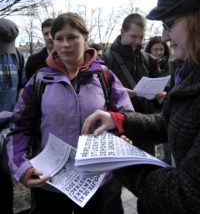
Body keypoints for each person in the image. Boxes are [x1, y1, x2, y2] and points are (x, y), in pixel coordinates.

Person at [82, 0, 200, 214]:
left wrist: (116, 157)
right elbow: (170, 121)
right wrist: (120, 120)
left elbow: (185, 196)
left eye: (170, 24)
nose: (165, 37)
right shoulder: (189, 68)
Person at [6, 12, 133, 214]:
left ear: (85, 39)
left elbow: (128, 118)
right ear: (52, 41)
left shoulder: (104, 76)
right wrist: (22, 168)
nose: (65, 44)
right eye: (59, 38)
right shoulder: (40, 80)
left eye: (72, 37)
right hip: (49, 182)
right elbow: (19, 128)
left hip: (98, 183)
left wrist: (120, 132)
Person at [103, 13, 161, 155]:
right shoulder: (106, 60)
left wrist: (160, 97)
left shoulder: (149, 60)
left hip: (145, 127)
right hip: (120, 128)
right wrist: (118, 92)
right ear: (122, 32)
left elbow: (160, 91)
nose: (137, 42)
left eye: (141, 37)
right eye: (134, 36)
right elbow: (100, 94)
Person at [0, 18, 26, 214]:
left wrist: (18, 108)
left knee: (4, 179)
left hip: (6, 128)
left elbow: (20, 86)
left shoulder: (16, 55)